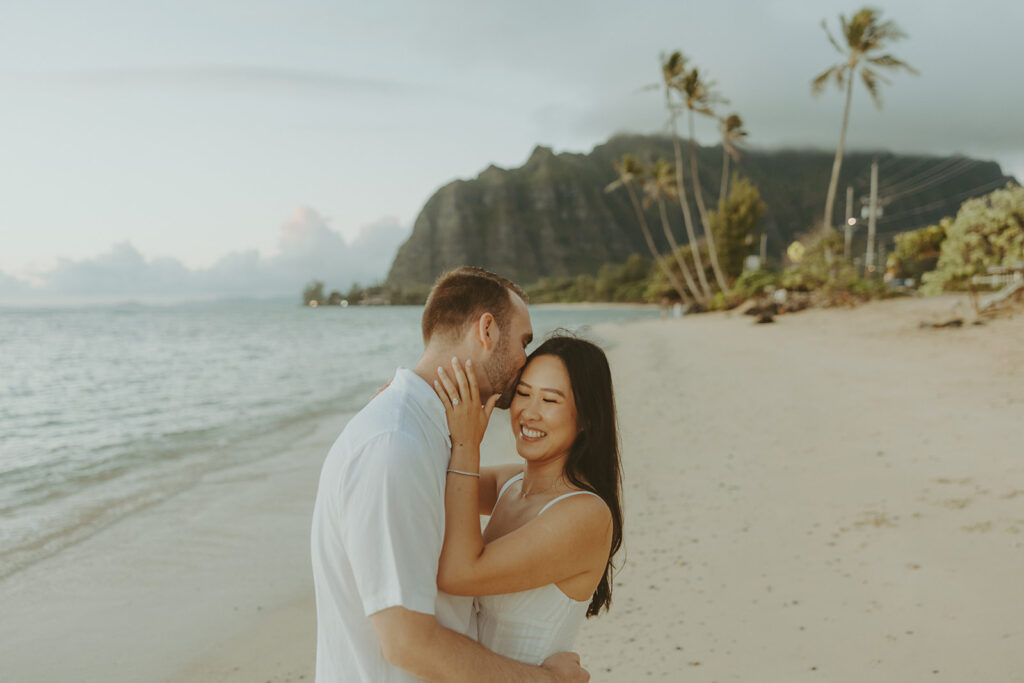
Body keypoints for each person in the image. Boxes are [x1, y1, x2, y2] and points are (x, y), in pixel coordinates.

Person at [310, 266, 589, 683]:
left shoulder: (424, 435)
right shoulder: (394, 446)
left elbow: (529, 489)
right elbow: (407, 642)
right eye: (523, 342)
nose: (525, 362)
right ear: (487, 331)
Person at [431, 335, 623, 665]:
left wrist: (467, 445)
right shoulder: (512, 484)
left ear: (587, 418)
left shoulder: (585, 514)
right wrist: (406, 409)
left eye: (550, 401)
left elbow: (458, 573)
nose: (529, 413)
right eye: (523, 393)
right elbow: (429, 478)